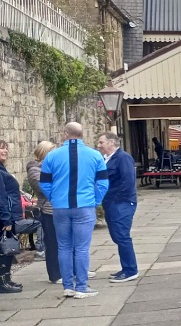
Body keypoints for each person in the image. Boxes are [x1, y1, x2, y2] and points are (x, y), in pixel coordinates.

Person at [41, 122, 109, 299]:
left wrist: (54, 199)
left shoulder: (51, 156)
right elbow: (103, 183)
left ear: (65, 134)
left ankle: (67, 286)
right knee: (81, 248)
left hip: (61, 207)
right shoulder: (95, 155)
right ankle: (81, 287)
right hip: (84, 206)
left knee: (63, 247)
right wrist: (95, 202)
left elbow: (45, 184)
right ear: (82, 134)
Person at [97, 133, 139, 283]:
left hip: (122, 203)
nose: (99, 145)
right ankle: (126, 267)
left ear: (111, 142)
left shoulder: (123, 158)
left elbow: (127, 182)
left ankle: (131, 270)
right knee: (116, 236)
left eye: (101, 142)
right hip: (111, 203)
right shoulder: (106, 159)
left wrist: (116, 200)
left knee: (122, 236)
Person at [27, 141, 60, 284]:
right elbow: (43, 187)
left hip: (61, 208)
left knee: (66, 242)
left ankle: (73, 269)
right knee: (52, 243)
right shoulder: (34, 170)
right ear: (44, 153)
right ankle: (55, 274)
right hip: (48, 209)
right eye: (52, 151)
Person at [0, 140, 24, 293]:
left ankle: (7, 279)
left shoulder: (3, 169)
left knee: (7, 248)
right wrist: (5, 218)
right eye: (1, 148)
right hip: (5, 216)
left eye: (6, 148)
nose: (5, 150)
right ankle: (3, 282)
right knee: (5, 249)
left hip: (9, 213)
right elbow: (1, 196)